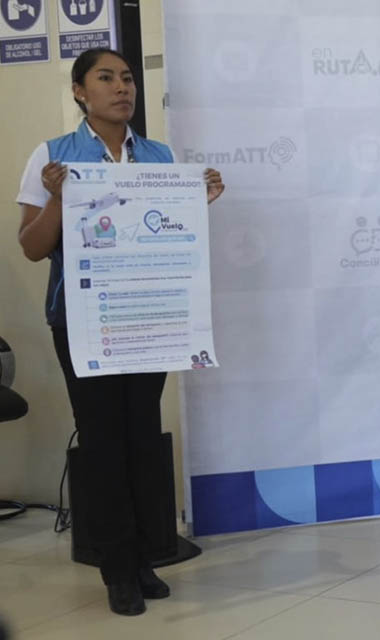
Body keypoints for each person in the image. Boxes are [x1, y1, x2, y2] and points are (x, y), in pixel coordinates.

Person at [14, 48, 225, 617]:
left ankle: (141, 558)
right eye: (105, 78)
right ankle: (116, 568)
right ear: (80, 92)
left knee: (139, 436)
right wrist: (60, 197)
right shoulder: (53, 155)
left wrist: (199, 199)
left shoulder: (159, 156)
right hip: (82, 322)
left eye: (127, 77)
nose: (121, 87)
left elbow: (170, 237)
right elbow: (32, 247)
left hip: (148, 318)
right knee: (103, 440)